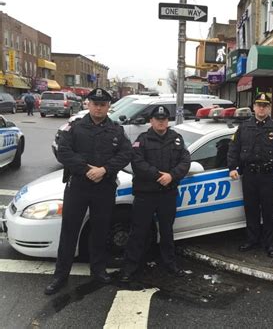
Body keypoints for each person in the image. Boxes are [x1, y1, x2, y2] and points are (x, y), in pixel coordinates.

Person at [45, 88, 133, 295]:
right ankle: (60, 276)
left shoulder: (117, 131)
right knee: (69, 231)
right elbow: (63, 152)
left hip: (104, 187)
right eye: (95, 103)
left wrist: (104, 170)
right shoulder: (74, 127)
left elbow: (126, 153)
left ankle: (98, 270)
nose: (99, 107)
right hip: (79, 186)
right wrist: (86, 170)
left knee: (101, 230)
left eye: (103, 104)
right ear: (88, 104)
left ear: (108, 106)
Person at [120, 105, 190, 281]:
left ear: (168, 121)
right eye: (158, 119)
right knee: (138, 232)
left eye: (164, 119)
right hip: (146, 194)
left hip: (168, 194)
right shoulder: (142, 140)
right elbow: (137, 163)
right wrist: (159, 176)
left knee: (167, 231)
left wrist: (172, 176)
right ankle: (130, 267)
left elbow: (185, 161)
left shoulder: (177, 139)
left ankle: (169, 264)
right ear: (151, 121)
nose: (161, 122)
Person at [227, 93, 273, 258]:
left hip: (268, 176)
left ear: (269, 108)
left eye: (265, 105)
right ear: (254, 107)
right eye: (259, 105)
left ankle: (270, 244)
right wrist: (232, 167)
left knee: (269, 211)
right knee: (251, 209)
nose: (261, 108)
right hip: (249, 175)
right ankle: (252, 239)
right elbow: (234, 148)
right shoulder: (244, 127)